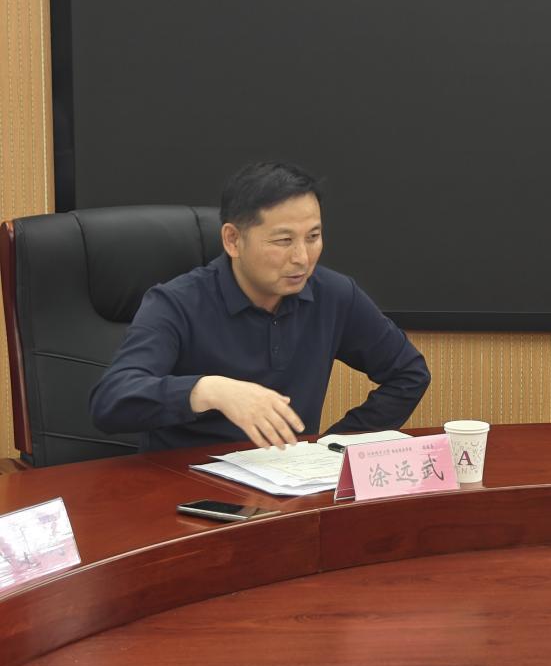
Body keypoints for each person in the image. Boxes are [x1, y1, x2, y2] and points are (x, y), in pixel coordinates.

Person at [90, 161, 431, 451]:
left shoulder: (334, 294)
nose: (302, 258)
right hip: (186, 485)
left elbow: (408, 373)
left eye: (313, 237)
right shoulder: (176, 303)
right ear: (233, 240)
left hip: (288, 487)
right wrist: (209, 390)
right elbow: (110, 402)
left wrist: (333, 447)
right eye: (284, 240)